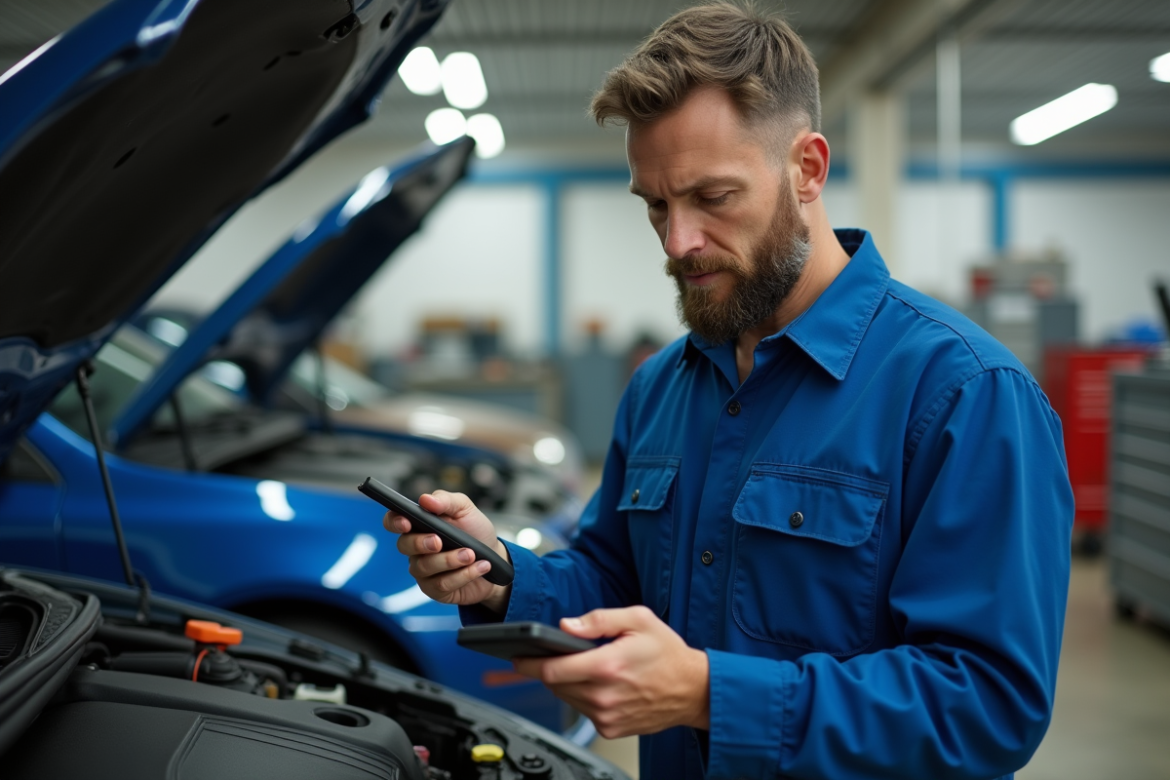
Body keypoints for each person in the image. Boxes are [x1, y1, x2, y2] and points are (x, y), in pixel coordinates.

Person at [383, 4, 1074, 778]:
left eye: (713, 197)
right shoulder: (659, 388)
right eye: (655, 205)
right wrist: (505, 575)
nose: (678, 242)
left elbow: (988, 703)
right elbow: (615, 580)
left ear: (807, 169)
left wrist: (712, 694)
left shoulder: (962, 394)